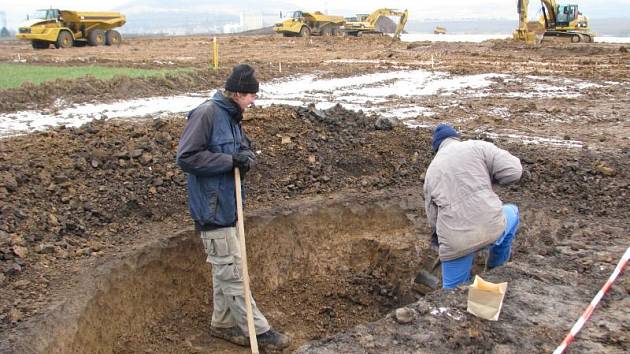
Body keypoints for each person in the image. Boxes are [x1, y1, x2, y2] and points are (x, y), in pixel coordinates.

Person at [176, 64, 290, 350]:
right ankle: (259, 331)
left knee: (223, 269)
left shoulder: (231, 117)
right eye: (252, 95)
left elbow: (243, 150)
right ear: (238, 92)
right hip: (213, 210)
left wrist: (245, 158)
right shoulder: (207, 114)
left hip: (229, 207)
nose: (254, 101)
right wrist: (229, 162)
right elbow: (187, 157)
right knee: (233, 272)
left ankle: (223, 322)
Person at [423, 124, 523, 289]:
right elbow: (514, 171)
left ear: (437, 148)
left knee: (450, 294)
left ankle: (448, 304)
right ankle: (495, 270)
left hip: (456, 242)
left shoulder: (431, 171)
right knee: (513, 211)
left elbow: (433, 217)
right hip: (492, 227)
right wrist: (491, 180)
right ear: (456, 138)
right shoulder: (478, 147)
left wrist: (438, 239)